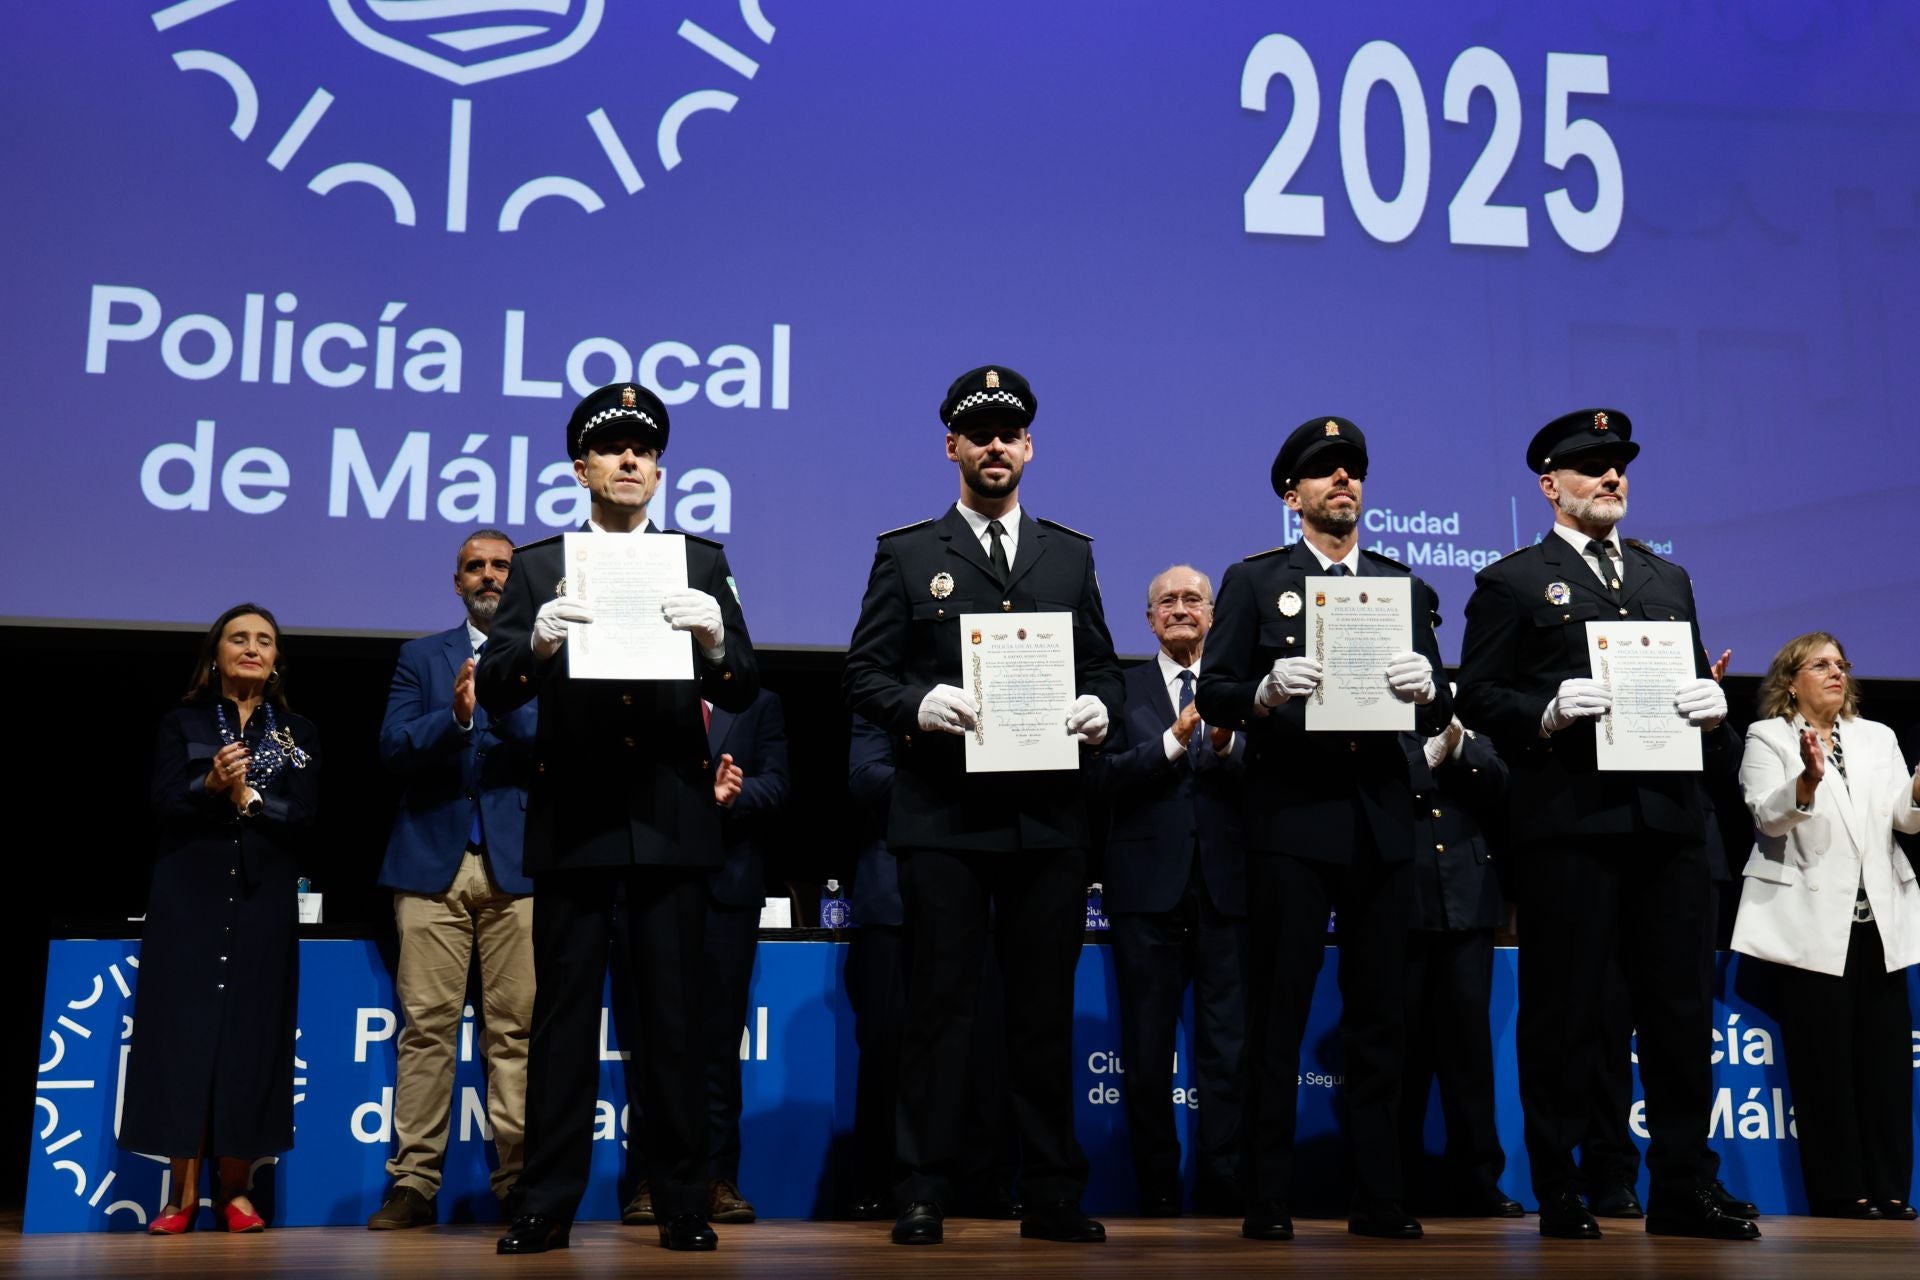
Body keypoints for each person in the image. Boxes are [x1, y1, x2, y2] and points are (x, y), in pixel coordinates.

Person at [1455, 408, 1758, 1241]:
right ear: (1550, 484)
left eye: (1619, 463)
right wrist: (1545, 711)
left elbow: (1691, 684)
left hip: (1667, 822)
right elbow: (1477, 697)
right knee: (1566, 1010)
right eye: (1591, 465)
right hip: (1570, 824)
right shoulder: (1513, 582)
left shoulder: (1668, 580)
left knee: (1678, 1011)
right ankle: (1560, 1184)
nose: (1612, 476)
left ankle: (1683, 1186)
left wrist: (1712, 715)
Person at [843, 364, 1122, 1246]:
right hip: (944, 815)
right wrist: (914, 707)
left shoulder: (1070, 553)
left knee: (1041, 1012)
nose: (996, 445)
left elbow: (1105, 665)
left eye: (1011, 432)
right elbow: (866, 673)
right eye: (980, 432)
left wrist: (1102, 705)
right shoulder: (909, 553)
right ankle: (922, 1187)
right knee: (940, 1010)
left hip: (1047, 820)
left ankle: (1049, 1192)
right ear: (953, 447)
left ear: (1029, 448)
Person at [477, 381, 759, 1255]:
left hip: (671, 820)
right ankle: (546, 1204)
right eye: (613, 449)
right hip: (577, 814)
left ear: (659, 470)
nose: (631, 460)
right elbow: (492, 691)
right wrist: (534, 646)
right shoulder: (537, 565)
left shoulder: (700, 561)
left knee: (673, 1022)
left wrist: (716, 641)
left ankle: (679, 1200)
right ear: (582, 468)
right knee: (562, 1020)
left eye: (644, 450)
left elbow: (743, 683)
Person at [1196, 416, 1450, 1242]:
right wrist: (1264, 693)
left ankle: (1379, 1195)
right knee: (1278, 1014)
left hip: (1380, 820)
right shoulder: (1254, 579)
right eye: (1325, 473)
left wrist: (1429, 688)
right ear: (1291, 493)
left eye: (1353, 473)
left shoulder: (1398, 584)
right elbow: (1220, 688)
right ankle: (1266, 1197)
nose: (1343, 483)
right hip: (1291, 820)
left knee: (1382, 1020)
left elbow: (1442, 701)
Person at [121, 604, 319, 1235]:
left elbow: (306, 816)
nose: (252, 648)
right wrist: (208, 787)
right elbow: (161, 803)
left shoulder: (296, 732)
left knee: (251, 1042)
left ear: (277, 659)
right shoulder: (182, 722)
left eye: (264, 640)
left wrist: (252, 801)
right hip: (190, 897)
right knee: (184, 1043)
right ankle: (180, 1195)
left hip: (263, 901)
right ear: (217, 652)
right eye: (239, 638)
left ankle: (236, 1191)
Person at [367, 531, 538, 1229]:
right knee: (427, 1030)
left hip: (517, 863)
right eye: (478, 567)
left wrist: (497, 700)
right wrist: (456, 715)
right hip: (430, 862)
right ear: (457, 580)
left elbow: (552, 742)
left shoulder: (541, 656)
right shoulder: (421, 656)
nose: (490, 577)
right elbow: (393, 746)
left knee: (515, 1032)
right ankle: (413, 1184)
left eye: (502, 567)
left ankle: (520, 1183)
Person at [1730, 632, 1920, 1219]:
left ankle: (1891, 1189)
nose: (1836, 673)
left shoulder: (1877, 737)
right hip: (1812, 928)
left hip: (1877, 925)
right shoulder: (1770, 736)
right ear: (1792, 679)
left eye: (1841, 665)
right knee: (1825, 1071)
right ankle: (1841, 1192)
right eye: (1821, 664)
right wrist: (1807, 780)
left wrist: (1918, 788)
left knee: (1886, 1068)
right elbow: (1767, 814)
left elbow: (1903, 821)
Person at [1094, 565, 1246, 1217]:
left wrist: (1227, 741)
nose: (1181, 609)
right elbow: (1101, 780)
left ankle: (1222, 1190)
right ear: (1149, 618)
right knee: (1148, 1054)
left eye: (1193, 600)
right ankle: (1156, 1188)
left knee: (1228, 1053)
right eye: (1167, 601)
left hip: (1228, 890)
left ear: (1213, 615)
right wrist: (1174, 741)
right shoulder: (1118, 690)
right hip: (1144, 893)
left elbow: (1275, 775)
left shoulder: (1241, 690)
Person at [621, 687, 790, 1227]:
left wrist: (733, 796)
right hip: (653, 883)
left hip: (728, 891)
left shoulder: (757, 701)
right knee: (652, 1041)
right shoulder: (640, 693)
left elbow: (777, 783)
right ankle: (652, 1180)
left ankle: (717, 1179)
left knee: (717, 1045)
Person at [1397, 716, 1521, 1218]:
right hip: (1402, 900)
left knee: (1468, 1053)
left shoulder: (1466, 728)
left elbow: (1499, 785)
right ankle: (1395, 1180)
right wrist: (1424, 758)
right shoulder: (1379, 729)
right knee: (1401, 1052)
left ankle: (1477, 1179)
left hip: (1466, 904)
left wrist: (1459, 743)